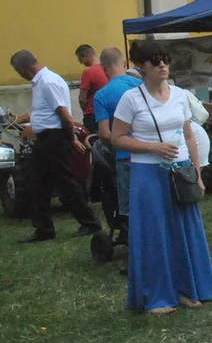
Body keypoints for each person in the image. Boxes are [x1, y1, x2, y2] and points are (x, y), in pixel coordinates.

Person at [111, 40, 212, 314]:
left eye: (165, 60)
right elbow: (117, 138)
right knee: (155, 234)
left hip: (180, 170)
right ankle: (157, 296)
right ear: (141, 66)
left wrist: (198, 172)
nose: (162, 65)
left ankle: (187, 289)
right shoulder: (131, 98)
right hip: (148, 173)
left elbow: (189, 134)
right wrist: (152, 147)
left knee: (184, 230)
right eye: (155, 61)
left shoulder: (180, 95)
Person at [9, 50, 102, 243]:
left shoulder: (47, 82)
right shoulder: (44, 80)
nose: (20, 75)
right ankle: (44, 228)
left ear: (23, 69)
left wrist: (72, 138)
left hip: (54, 138)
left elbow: (65, 115)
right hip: (47, 139)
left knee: (65, 182)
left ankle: (90, 222)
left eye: (18, 71)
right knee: (37, 182)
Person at [93, 47, 144, 237]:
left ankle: (134, 245)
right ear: (124, 64)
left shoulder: (102, 95)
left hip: (126, 156)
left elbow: (105, 134)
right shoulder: (142, 86)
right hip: (152, 153)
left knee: (130, 208)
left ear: (103, 68)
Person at [75, 44, 109, 134]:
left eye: (80, 59)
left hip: (92, 114)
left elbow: (82, 99)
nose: (80, 62)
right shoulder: (107, 69)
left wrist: (85, 111)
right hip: (108, 113)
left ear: (86, 55)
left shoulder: (88, 72)